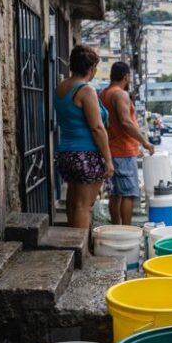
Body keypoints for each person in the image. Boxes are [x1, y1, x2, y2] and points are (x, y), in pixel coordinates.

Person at [54, 45, 113, 232]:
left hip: (67, 153)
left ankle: (74, 249)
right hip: (86, 155)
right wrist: (109, 160)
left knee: (73, 205)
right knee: (84, 207)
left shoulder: (62, 87)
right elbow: (97, 127)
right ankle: (82, 253)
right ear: (91, 67)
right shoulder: (86, 90)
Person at [100, 62, 155, 225]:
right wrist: (144, 142)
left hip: (110, 150)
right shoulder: (120, 94)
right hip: (123, 151)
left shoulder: (102, 94)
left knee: (115, 194)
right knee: (128, 194)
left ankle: (117, 228)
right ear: (126, 77)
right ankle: (127, 229)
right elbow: (125, 122)